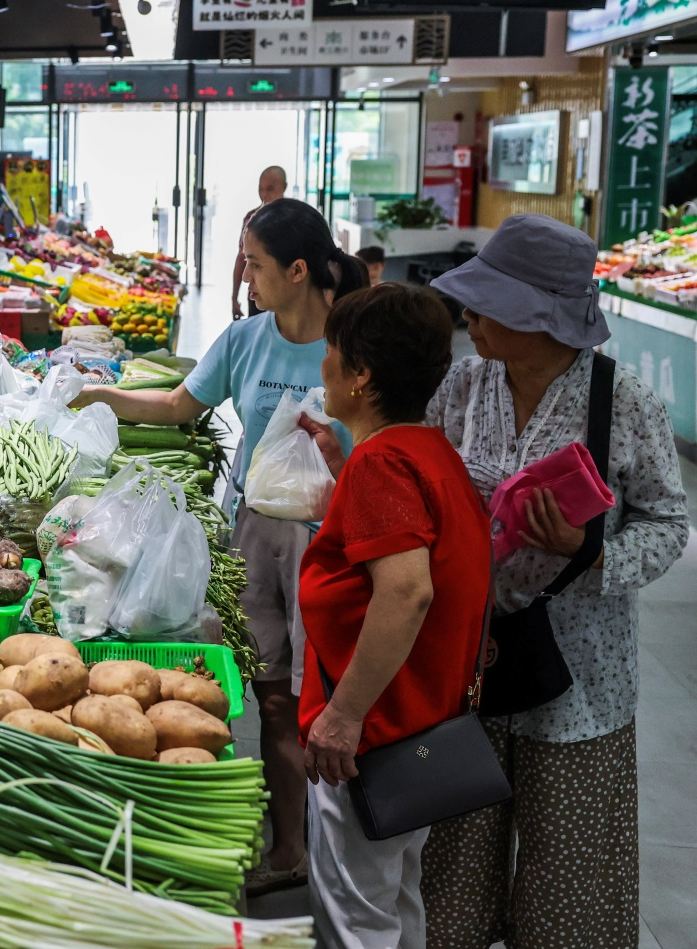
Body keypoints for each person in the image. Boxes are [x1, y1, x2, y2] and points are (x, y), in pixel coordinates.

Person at [73, 198, 368, 894]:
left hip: (337, 541)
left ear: (298, 270)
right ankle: (288, 846)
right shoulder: (244, 339)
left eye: (256, 262)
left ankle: (348, 850)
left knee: (325, 701)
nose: (246, 274)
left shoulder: (355, 340)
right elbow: (181, 404)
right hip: (254, 536)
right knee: (269, 699)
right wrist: (101, 396)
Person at [412, 214, 689, 949]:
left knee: (570, 884)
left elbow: (667, 523)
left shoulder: (620, 400)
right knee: (452, 872)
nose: (469, 315)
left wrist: (588, 550)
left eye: (488, 301)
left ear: (539, 317)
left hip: (581, 679)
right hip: (469, 664)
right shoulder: (464, 387)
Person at [296, 283, 492, 948]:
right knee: (395, 903)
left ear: (360, 374)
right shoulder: (429, 453)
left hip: (373, 737)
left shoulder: (384, 464)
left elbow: (407, 591)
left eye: (331, 352)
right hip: (421, 729)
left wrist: (343, 715)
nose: (320, 366)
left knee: (357, 918)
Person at [232, 165, 287, 320]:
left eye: (270, 189)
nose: (264, 195)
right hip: (258, 294)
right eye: (260, 189)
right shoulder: (252, 218)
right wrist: (234, 297)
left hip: (286, 298)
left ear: (283, 187)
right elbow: (241, 258)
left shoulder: (294, 220)